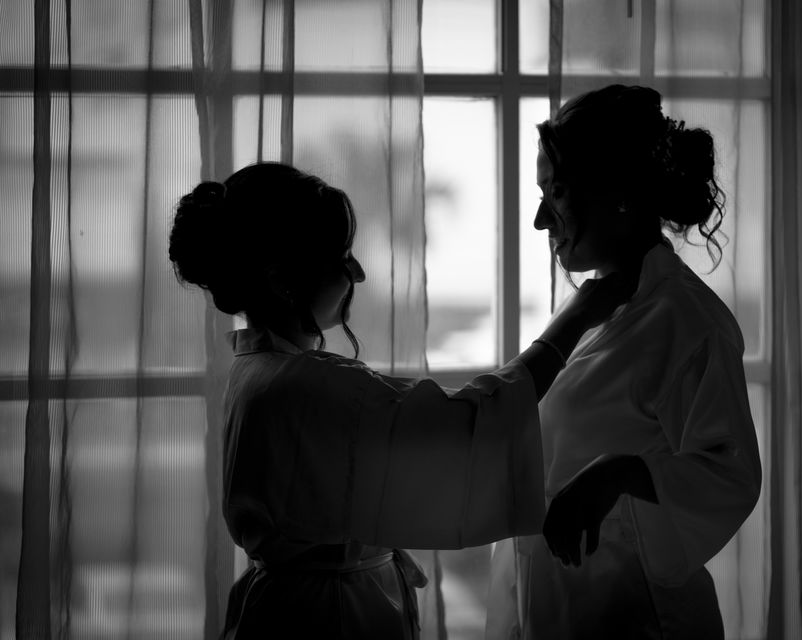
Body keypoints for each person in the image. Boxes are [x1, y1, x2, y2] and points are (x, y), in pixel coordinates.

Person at [167, 162, 635, 639]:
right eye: (340, 256)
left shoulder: (261, 370)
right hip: (328, 617)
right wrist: (576, 318)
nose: (357, 272)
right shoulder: (302, 385)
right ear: (281, 281)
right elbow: (468, 429)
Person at [486, 85, 763, 639]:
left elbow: (732, 475)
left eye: (556, 192)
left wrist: (621, 473)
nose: (540, 220)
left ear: (619, 196)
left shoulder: (689, 322)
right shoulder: (590, 312)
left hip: (638, 617)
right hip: (558, 606)